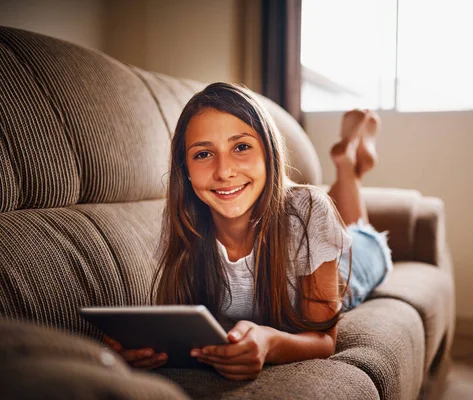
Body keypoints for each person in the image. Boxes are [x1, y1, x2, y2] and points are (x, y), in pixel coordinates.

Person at [103, 82, 393, 380]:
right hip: (306, 229)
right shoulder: (182, 219)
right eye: (203, 154)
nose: (224, 172)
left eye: (241, 147)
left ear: (269, 153)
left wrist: (271, 343)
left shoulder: (309, 208)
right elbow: (178, 325)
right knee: (331, 221)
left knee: (365, 235)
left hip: (342, 270)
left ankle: (347, 165)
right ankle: (349, 162)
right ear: (185, 169)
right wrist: (141, 346)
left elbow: (323, 340)